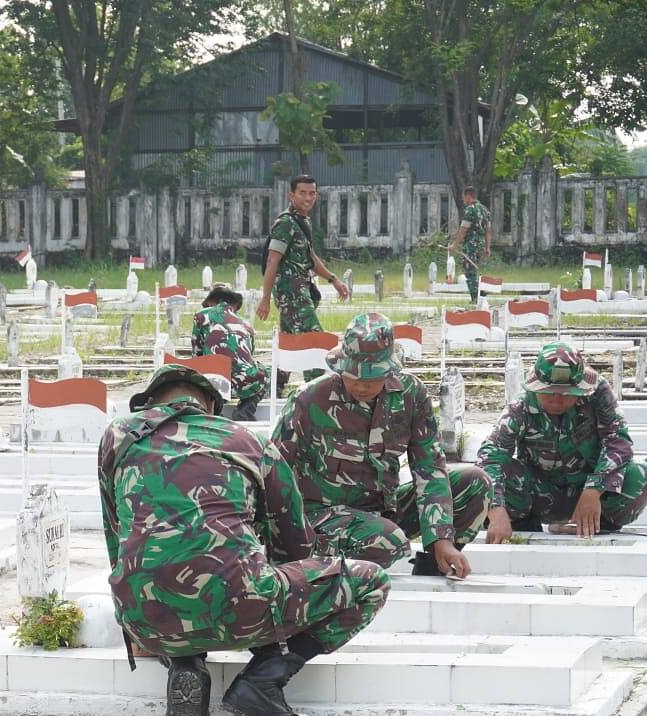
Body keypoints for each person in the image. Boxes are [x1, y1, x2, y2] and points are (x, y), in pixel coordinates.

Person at [98, 363, 391, 716]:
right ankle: (264, 679)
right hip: (240, 609)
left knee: (167, 568)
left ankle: (184, 660)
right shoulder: (246, 440)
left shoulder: (118, 437)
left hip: (143, 615)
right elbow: (295, 544)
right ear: (208, 405)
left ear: (151, 403)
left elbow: (116, 534)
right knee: (371, 583)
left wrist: (133, 624)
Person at [270, 312, 491, 577]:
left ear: (388, 370)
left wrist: (441, 537)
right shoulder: (310, 400)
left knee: (474, 481)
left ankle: (436, 564)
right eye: (353, 377)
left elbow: (429, 467)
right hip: (321, 519)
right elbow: (272, 472)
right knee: (388, 540)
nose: (362, 386)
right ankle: (317, 570)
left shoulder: (411, 396)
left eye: (371, 379)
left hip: (383, 510)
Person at [480, 343, 647, 540]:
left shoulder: (597, 394)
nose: (557, 399)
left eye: (566, 392)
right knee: (498, 473)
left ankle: (597, 524)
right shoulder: (521, 407)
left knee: (642, 476)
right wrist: (496, 510)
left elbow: (618, 442)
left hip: (590, 491)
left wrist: (594, 488)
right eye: (549, 392)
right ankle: (521, 524)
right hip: (539, 493)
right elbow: (490, 457)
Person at [256, 174, 350, 386]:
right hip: (291, 292)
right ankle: (318, 391)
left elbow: (310, 258)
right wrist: (265, 297)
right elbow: (272, 260)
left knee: (290, 342)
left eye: (312, 193)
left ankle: (271, 387)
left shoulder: (301, 221)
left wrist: (333, 279)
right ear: (292, 195)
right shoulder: (286, 223)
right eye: (303, 193)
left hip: (300, 290)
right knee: (314, 341)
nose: (308, 198)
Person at [190, 284, 266, 421]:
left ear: (210, 303)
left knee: (199, 370)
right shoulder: (247, 325)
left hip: (216, 384)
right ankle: (245, 409)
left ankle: (216, 412)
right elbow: (249, 355)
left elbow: (197, 353)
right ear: (235, 305)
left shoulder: (201, 316)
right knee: (264, 371)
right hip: (246, 382)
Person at [447, 186, 490, 305]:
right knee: (474, 270)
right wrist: (487, 247)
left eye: (463, 197)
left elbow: (463, 229)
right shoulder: (484, 210)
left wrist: (454, 244)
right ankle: (480, 294)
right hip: (480, 245)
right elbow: (488, 230)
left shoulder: (470, 210)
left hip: (471, 245)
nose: (463, 200)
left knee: (469, 271)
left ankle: (476, 298)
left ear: (468, 196)